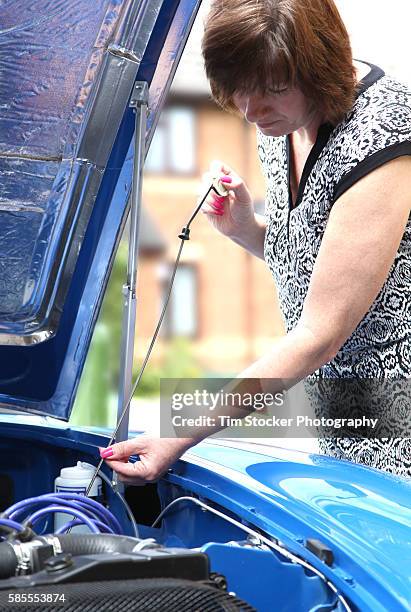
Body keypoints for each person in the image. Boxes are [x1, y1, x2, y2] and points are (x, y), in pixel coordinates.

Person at [100, 0, 411, 481]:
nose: (250, 111)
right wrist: (247, 231)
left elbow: (319, 334)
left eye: (272, 90)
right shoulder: (281, 121)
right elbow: (322, 266)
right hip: (342, 417)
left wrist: (178, 431)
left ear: (319, 67)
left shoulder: (383, 132)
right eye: (240, 91)